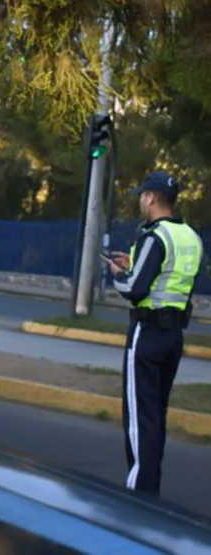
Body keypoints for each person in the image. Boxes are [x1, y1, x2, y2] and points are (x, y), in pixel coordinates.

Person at [106, 172, 204, 495]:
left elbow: (135, 288)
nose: (140, 201)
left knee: (138, 420)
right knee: (155, 417)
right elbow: (168, 276)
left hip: (146, 335)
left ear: (150, 197)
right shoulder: (190, 237)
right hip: (173, 337)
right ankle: (151, 490)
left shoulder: (155, 236)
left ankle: (138, 498)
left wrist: (119, 274)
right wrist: (133, 260)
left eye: (141, 195)